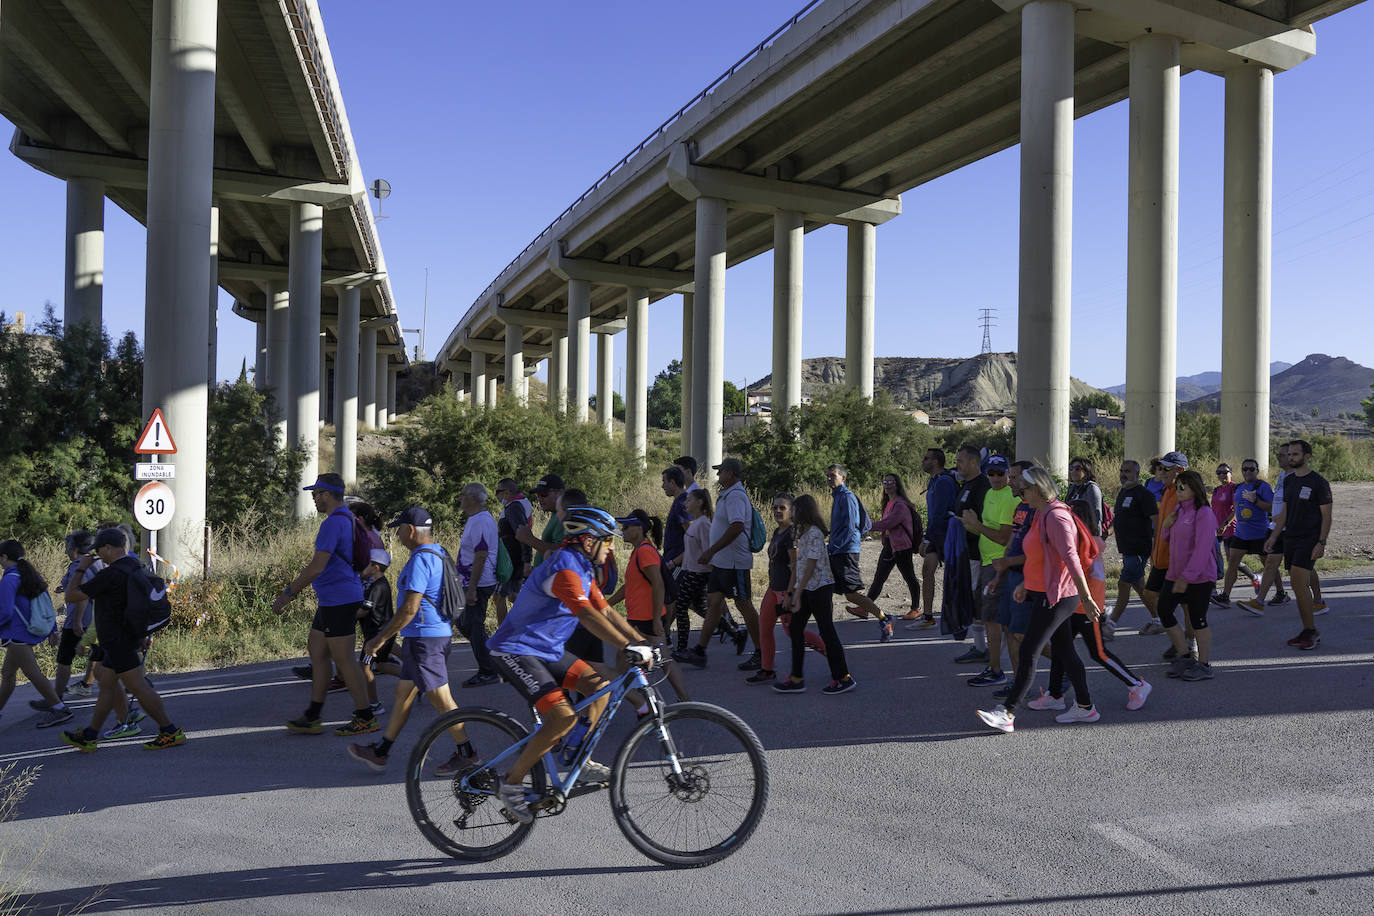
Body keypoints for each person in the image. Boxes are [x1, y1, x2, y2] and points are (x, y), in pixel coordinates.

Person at [485, 506, 656, 824]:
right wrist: (627, 646)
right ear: (589, 540)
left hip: (545, 651)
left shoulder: (582, 567)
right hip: (515, 650)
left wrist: (642, 643)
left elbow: (605, 611)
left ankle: (578, 757)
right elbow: (587, 616)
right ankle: (510, 784)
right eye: (608, 541)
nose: (612, 547)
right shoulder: (563, 567)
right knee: (561, 718)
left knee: (599, 686)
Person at [975, 467, 1103, 733]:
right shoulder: (1041, 514)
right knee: (1066, 652)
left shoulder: (1056, 517)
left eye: (1024, 489)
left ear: (1038, 489)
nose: (1020, 493)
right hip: (1044, 591)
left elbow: (1071, 559)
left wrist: (1087, 598)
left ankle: (1008, 713)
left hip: (1057, 595)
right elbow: (1039, 557)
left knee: (1029, 650)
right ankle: (1085, 706)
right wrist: (1025, 583)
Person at [347, 508, 474, 774]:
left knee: (441, 698)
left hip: (424, 639)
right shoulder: (438, 552)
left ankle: (467, 752)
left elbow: (408, 609)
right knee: (403, 694)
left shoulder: (420, 559)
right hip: (431, 635)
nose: (399, 534)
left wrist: (379, 639)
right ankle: (381, 751)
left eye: (400, 529)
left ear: (411, 530)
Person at [271, 473, 378, 737]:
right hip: (334, 599)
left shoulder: (333, 523)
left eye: (315, 494)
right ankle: (313, 715)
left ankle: (365, 716)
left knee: (344, 661)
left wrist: (289, 593)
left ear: (326, 494)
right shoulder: (349, 519)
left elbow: (317, 566)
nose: (313, 499)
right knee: (317, 652)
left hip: (340, 600)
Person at [60, 528, 185, 750]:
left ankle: (170, 731)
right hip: (122, 639)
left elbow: (71, 595)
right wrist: (145, 633)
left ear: (109, 548)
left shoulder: (111, 575)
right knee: (106, 684)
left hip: (119, 640)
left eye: (98, 550)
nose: (96, 555)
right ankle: (90, 736)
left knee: (138, 687)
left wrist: (81, 568)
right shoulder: (135, 567)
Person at [1030, 500, 1151, 711]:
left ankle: (1138, 685)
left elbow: (1085, 576)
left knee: (1099, 652)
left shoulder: (1085, 544)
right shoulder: (1085, 540)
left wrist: (1091, 604)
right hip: (1073, 605)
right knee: (1060, 649)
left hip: (1087, 607)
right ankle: (1055, 694)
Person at [773, 494, 856, 695]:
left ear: (803, 511)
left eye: (794, 509)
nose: (792, 513)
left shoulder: (815, 534)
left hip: (819, 589)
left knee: (827, 631)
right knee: (795, 629)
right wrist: (793, 592)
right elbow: (798, 568)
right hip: (808, 588)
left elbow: (810, 567)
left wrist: (797, 594)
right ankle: (796, 678)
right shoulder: (803, 533)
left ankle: (843, 677)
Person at [606, 509, 690, 702]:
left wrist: (655, 619)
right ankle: (629, 699)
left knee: (663, 659)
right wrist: (607, 604)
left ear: (639, 528)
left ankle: (674, 701)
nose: (623, 530)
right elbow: (631, 586)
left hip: (647, 619)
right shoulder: (639, 551)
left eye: (626, 527)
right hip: (638, 618)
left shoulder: (644, 551)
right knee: (626, 659)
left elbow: (658, 583)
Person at [684, 458, 761, 668]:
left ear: (731, 474)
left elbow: (736, 527)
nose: (718, 475)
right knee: (713, 602)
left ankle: (762, 652)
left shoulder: (736, 495)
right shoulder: (728, 494)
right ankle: (700, 651)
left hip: (735, 562)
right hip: (722, 562)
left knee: (743, 604)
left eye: (722, 472)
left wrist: (711, 550)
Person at [748, 493, 826, 685]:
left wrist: (790, 594)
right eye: (775, 507)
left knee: (793, 631)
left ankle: (830, 652)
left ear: (792, 511)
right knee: (764, 628)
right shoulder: (777, 532)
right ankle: (767, 670)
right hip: (772, 589)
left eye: (782, 507)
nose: (777, 511)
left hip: (785, 590)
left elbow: (796, 567)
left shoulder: (793, 534)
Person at [1265, 440, 1332, 651]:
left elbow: (1326, 517)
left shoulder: (1319, 483)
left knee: (1297, 581)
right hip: (1291, 538)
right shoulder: (1289, 481)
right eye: (1290, 454)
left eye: (1295, 454)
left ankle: (1311, 631)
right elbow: (1284, 514)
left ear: (1307, 456)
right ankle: (1307, 629)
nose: (1291, 457)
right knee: (1296, 585)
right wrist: (1274, 536)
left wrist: (1321, 543)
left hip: (1309, 540)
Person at [1157, 470, 1220, 680]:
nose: (1178, 490)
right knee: (1164, 611)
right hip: (1175, 574)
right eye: (1177, 487)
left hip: (1200, 577)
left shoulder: (1204, 514)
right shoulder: (1178, 510)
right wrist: (1166, 525)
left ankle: (1204, 665)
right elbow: (1169, 539)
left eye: (1183, 486)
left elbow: (1202, 549)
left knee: (1197, 619)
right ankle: (1185, 656)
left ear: (1195, 487)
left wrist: (1187, 577)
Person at [0, 540, 71, 728]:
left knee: (33, 674)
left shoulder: (8, 579)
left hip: (16, 635)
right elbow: (46, 604)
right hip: (29, 632)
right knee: (7, 674)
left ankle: (59, 708)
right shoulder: (31, 575)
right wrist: (52, 630)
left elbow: (5, 612)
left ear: (5, 557)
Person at [962, 456, 1017, 687]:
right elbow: (984, 528)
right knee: (996, 622)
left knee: (994, 621)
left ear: (1007, 474)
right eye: (991, 473)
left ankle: (996, 670)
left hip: (998, 564)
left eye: (1000, 473)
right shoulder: (989, 494)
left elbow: (1003, 537)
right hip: (987, 562)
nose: (995, 478)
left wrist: (976, 526)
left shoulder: (1009, 497)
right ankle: (996, 667)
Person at [988, 461, 1036, 703]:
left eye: (1015, 477)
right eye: (1010, 476)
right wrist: (1000, 575)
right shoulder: (1020, 507)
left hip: (1027, 579)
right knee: (1009, 631)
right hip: (1011, 576)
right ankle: (1017, 684)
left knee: (1021, 634)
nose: (1010, 481)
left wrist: (1010, 569)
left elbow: (1040, 554)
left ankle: (1065, 664)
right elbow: (1012, 543)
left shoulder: (1038, 510)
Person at [826, 464, 891, 641]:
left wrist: (834, 547)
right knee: (836, 590)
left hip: (846, 551)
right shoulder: (837, 496)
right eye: (828, 476)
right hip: (838, 550)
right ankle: (826, 626)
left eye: (833, 475)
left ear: (843, 478)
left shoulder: (847, 497)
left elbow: (851, 527)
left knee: (852, 593)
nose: (829, 478)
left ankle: (884, 618)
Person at [1142, 452, 1188, 660]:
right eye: (1160, 467)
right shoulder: (1166, 491)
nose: (1161, 471)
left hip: (1176, 561)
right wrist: (1154, 550)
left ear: (1180, 471)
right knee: (1151, 595)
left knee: (1184, 606)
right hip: (1161, 557)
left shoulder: (1184, 494)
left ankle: (1189, 647)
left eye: (1166, 468)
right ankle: (1180, 642)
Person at [1108, 460, 1162, 635]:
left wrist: (1155, 547)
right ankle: (1158, 620)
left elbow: (1156, 521)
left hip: (1140, 549)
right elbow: (1119, 517)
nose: (1124, 474)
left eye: (1128, 471)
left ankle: (1110, 625)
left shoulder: (1144, 494)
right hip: (1126, 548)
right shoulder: (1123, 492)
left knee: (1124, 583)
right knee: (1139, 586)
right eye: (1122, 471)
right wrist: (1107, 531)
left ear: (1137, 474)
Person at [1242, 443, 1296, 613]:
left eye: (1282, 455)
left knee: (1300, 569)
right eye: (1278, 454)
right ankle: (1260, 601)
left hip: (1293, 529)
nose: (1278, 457)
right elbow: (1276, 503)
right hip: (1276, 527)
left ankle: (1318, 599)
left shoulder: (1297, 477)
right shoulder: (1281, 476)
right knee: (1271, 562)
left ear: (1292, 456)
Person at [456, 482, 501, 687]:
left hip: (479, 583)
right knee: (465, 622)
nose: (460, 498)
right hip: (470, 581)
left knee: (472, 624)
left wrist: (472, 588)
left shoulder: (481, 520)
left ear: (474, 498)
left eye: (463, 495)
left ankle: (488, 670)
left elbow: (481, 555)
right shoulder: (475, 519)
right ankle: (491, 660)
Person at [952, 444, 991, 663]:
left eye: (961, 461)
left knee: (978, 600)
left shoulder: (982, 486)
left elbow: (981, 522)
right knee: (971, 599)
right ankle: (979, 647)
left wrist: (963, 524)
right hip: (966, 552)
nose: (957, 464)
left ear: (974, 462)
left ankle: (985, 649)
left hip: (978, 552)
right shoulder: (967, 485)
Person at [866, 473, 923, 623]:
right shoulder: (888, 504)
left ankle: (916, 608)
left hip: (902, 546)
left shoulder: (900, 504)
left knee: (909, 576)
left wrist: (866, 526)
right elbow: (886, 524)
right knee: (879, 577)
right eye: (885, 481)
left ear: (897, 484)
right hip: (890, 545)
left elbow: (889, 523)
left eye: (891, 481)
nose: (887, 484)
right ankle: (865, 607)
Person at [52, 530, 101, 701]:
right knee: (99, 653)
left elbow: (82, 591)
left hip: (79, 618)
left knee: (64, 658)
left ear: (74, 548)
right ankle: (87, 685)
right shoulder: (98, 562)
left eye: (67, 547)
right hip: (98, 618)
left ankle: (56, 702)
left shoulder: (78, 565)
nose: (65, 551)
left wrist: (77, 621)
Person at [914, 448, 958, 630]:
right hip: (937, 534)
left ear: (936, 461)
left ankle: (954, 615)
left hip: (946, 535)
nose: (923, 461)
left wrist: (927, 538)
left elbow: (940, 513)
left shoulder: (943, 483)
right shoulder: (934, 481)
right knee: (927, 571)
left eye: (926, 458)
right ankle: (928, 616)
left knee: (952, 577)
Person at [1223, 459, 1274, 610]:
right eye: (1245, 469)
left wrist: (1256, 500)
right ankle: (1225, 596)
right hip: (1241, 533)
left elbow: (1272, 507)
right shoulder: (1238, 488)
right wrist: (1226, 523)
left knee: (1269, 565)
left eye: (1251, 469)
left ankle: (1280, 592)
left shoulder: (1263, 487)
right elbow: (1236, 509)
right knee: (1232, 563)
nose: (1247, 472)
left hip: (1260, 533)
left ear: (1257, 471)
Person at [357, 548, 398, 714]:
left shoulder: (376, 587)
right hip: (381, 632)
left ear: (375, 567)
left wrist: (345, 617)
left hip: (376, 636)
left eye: (367, 564)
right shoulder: (381, 584)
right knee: (381, 665)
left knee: (364, 666)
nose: (363, 566)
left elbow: (364, 610)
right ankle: (415, 681)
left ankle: (374, 705)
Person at [1208, 463, 1250, 606]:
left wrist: (1225, 524)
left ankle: (1254, 577)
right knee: (1211, 558)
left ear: (1231, 473)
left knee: (1232, 562)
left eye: (1224, 472)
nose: (1221, 475)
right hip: (1215, 529)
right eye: (1218, 472)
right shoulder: (1217, 490)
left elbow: (1237, 509)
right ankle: (1213, 592)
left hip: (1230, 529)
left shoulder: (1235, 488)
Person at [493, 479, 533, 624]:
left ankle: (503, 634)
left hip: (512, 560)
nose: (496, 495)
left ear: (507, 492)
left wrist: (527, 560)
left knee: (499, 597)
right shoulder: (514, 505)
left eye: (498, 492)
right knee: (513, 597)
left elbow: (524, 534)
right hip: (515, 558)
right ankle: (526, 628)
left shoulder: (514, 507)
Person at [1065, 457, 1105, 537]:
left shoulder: (1092, 488)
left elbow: (1096, 516)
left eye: (1077, 468)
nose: (1073, 471)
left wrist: (1096, 538)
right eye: (1071, 468)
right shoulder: (1072, 488)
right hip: (1074, 533)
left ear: (1086, 471)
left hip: (1087, 535)